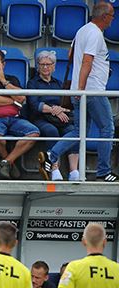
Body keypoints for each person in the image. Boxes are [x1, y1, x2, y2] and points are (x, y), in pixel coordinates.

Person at [39, 2, 118, 183]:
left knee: (78, 131)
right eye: (112, 16)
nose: (113, 20)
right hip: (91, 91)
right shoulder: (95, 34)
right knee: (107, 128)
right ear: (104, 16)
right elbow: (87, 61)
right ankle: (103, 172)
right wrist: (82, 90)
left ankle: (50, 157)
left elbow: (71, 56)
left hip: (81, 89)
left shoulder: (82, 30)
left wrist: (101, 71)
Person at [0, 49, 40, 180]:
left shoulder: (12, 79)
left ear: (3, 64)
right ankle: (10, 163)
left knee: (34, 133)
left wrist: (4, 81)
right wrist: (12, 100)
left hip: (14, 119)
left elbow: (21, 98)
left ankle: (6, 162)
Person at [26, 50, 80, 182]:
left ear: (54, 66)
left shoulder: (58, 83)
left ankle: (74, 171)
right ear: (38, 66)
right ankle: (54, 169)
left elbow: (67, 104)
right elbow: (34, 104)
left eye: (48, 64)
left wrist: (59, 109)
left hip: (59, 117)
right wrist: (52, 109)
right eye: (42, 64)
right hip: (41, 118)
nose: (45, 67)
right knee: (51, 131)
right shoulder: (33, 83)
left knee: (72, 131)